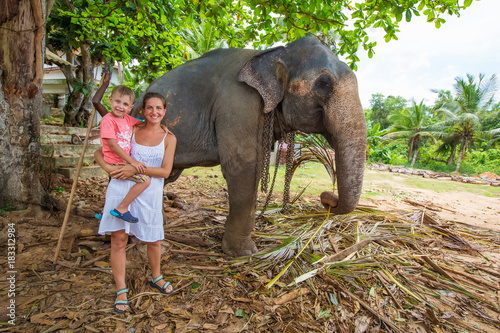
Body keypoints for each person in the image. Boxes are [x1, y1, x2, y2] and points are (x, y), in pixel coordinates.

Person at [94, 92, 177, 314]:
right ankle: (121, 289)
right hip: (122, 188)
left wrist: (134, 168)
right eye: (150, 108)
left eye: (159, 108)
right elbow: (99, 151)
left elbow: (166, 171)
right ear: (142, 110)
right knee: (119, 240)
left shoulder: (169, 138)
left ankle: (156, 277)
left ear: (165, 111)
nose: (154, 112)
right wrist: (110, 170)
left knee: (154, 239)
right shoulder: (130, 128)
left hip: (149, 192)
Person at [93, 69, 150, 223]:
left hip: (120, 161)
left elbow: (145, 123)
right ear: (110, 100)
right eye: (117, 101)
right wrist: (132, 161)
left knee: (114, 187)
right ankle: (122, 208)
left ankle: (105, 211)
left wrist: (161, 126)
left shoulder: (128, 119)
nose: (120, 106)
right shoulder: (108, 120)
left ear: (130, 107)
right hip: (116, 162)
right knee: (145, 180)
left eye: (125, 104)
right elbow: (112, 144)